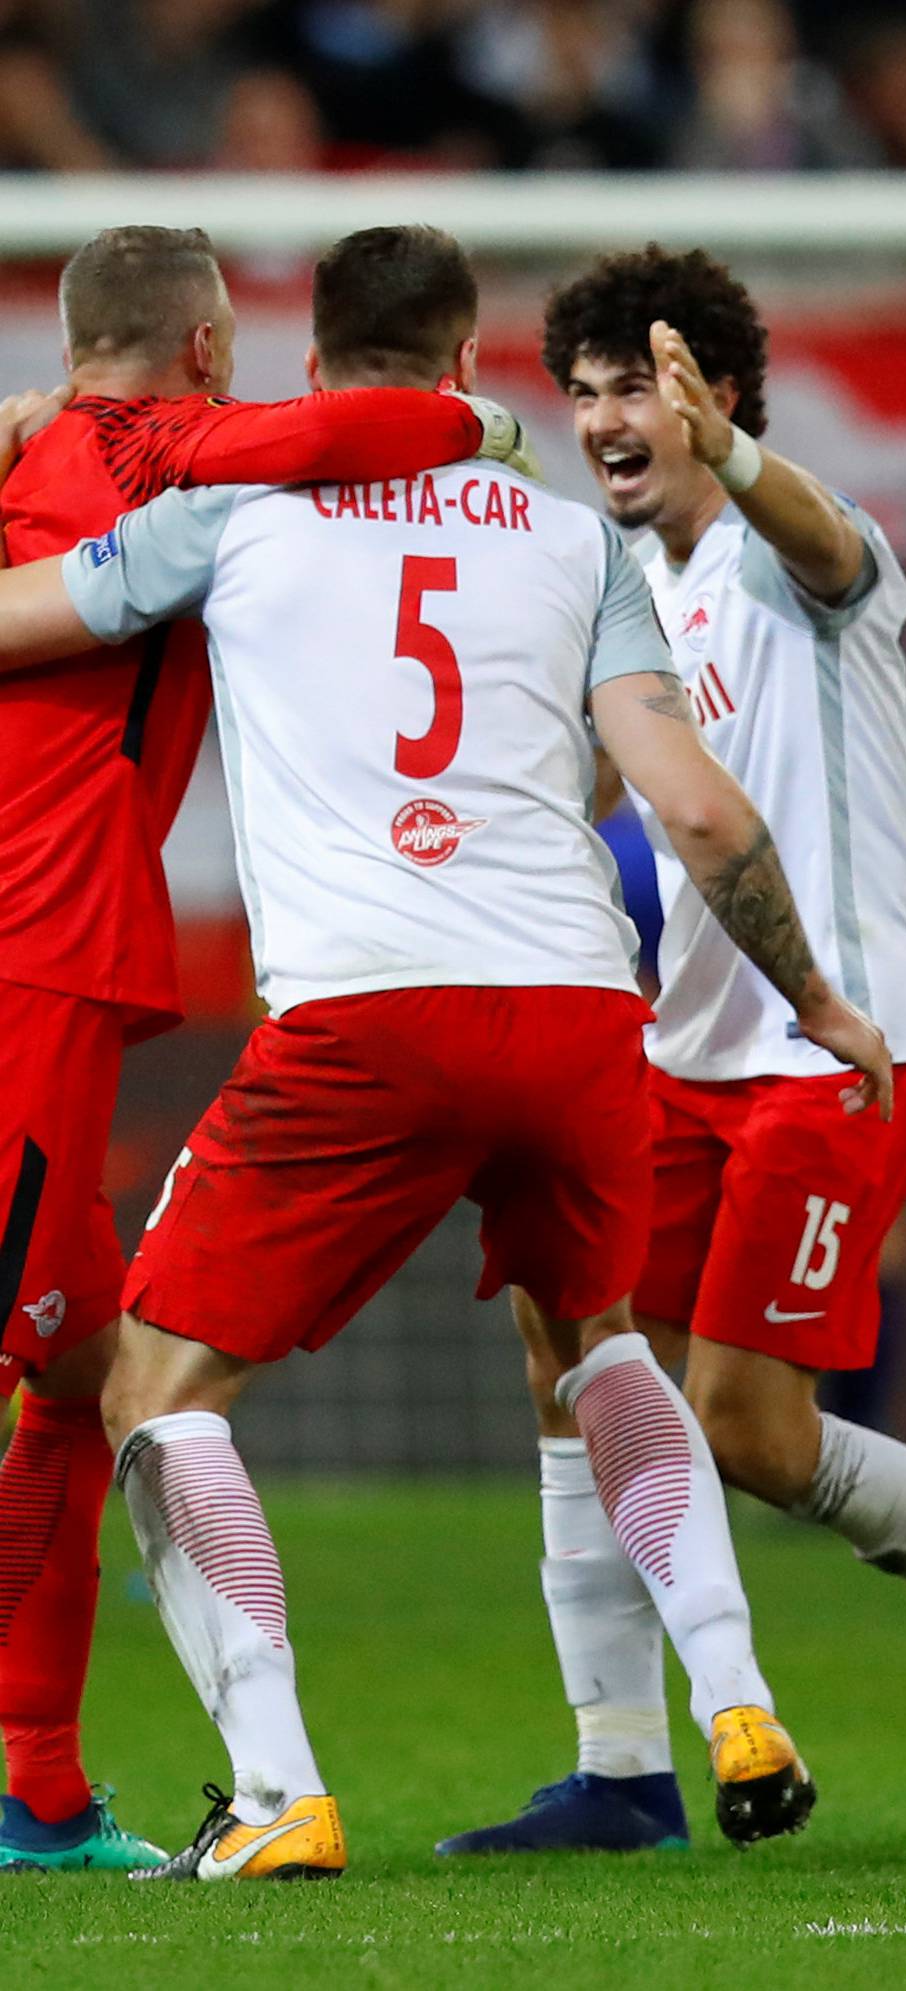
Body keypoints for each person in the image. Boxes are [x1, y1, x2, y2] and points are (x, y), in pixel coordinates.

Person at [0, 224, 890, 1881]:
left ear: (298, 363)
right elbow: (691, 807)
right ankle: (741, 1701)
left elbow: (35, 618)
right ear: (471, 360)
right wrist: (817, 999)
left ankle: (278, 1795)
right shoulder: (573, 542)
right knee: (603, 1341)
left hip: (362, 1012)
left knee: (154, 1384)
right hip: (574, 1007)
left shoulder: (232, 514)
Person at [437, 247, 906, 1857]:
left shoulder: (802, 568)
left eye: (641, 385)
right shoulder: (629, 604)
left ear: (721, 399)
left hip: (849, 1040)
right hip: (690, 1050)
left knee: (751, 1425)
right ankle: (622, 1763)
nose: (609, 419)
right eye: (588, 393)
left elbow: (834, 543)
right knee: (568, 1343)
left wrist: (747, 461)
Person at [0, 223, 524, 1876]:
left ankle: (38, 1785)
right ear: (209, 354)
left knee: (81, 1377)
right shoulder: (145, 447)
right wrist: (487, 427)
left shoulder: (48, 454)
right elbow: (370, 426)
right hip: (25, 960)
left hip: (51, 962)